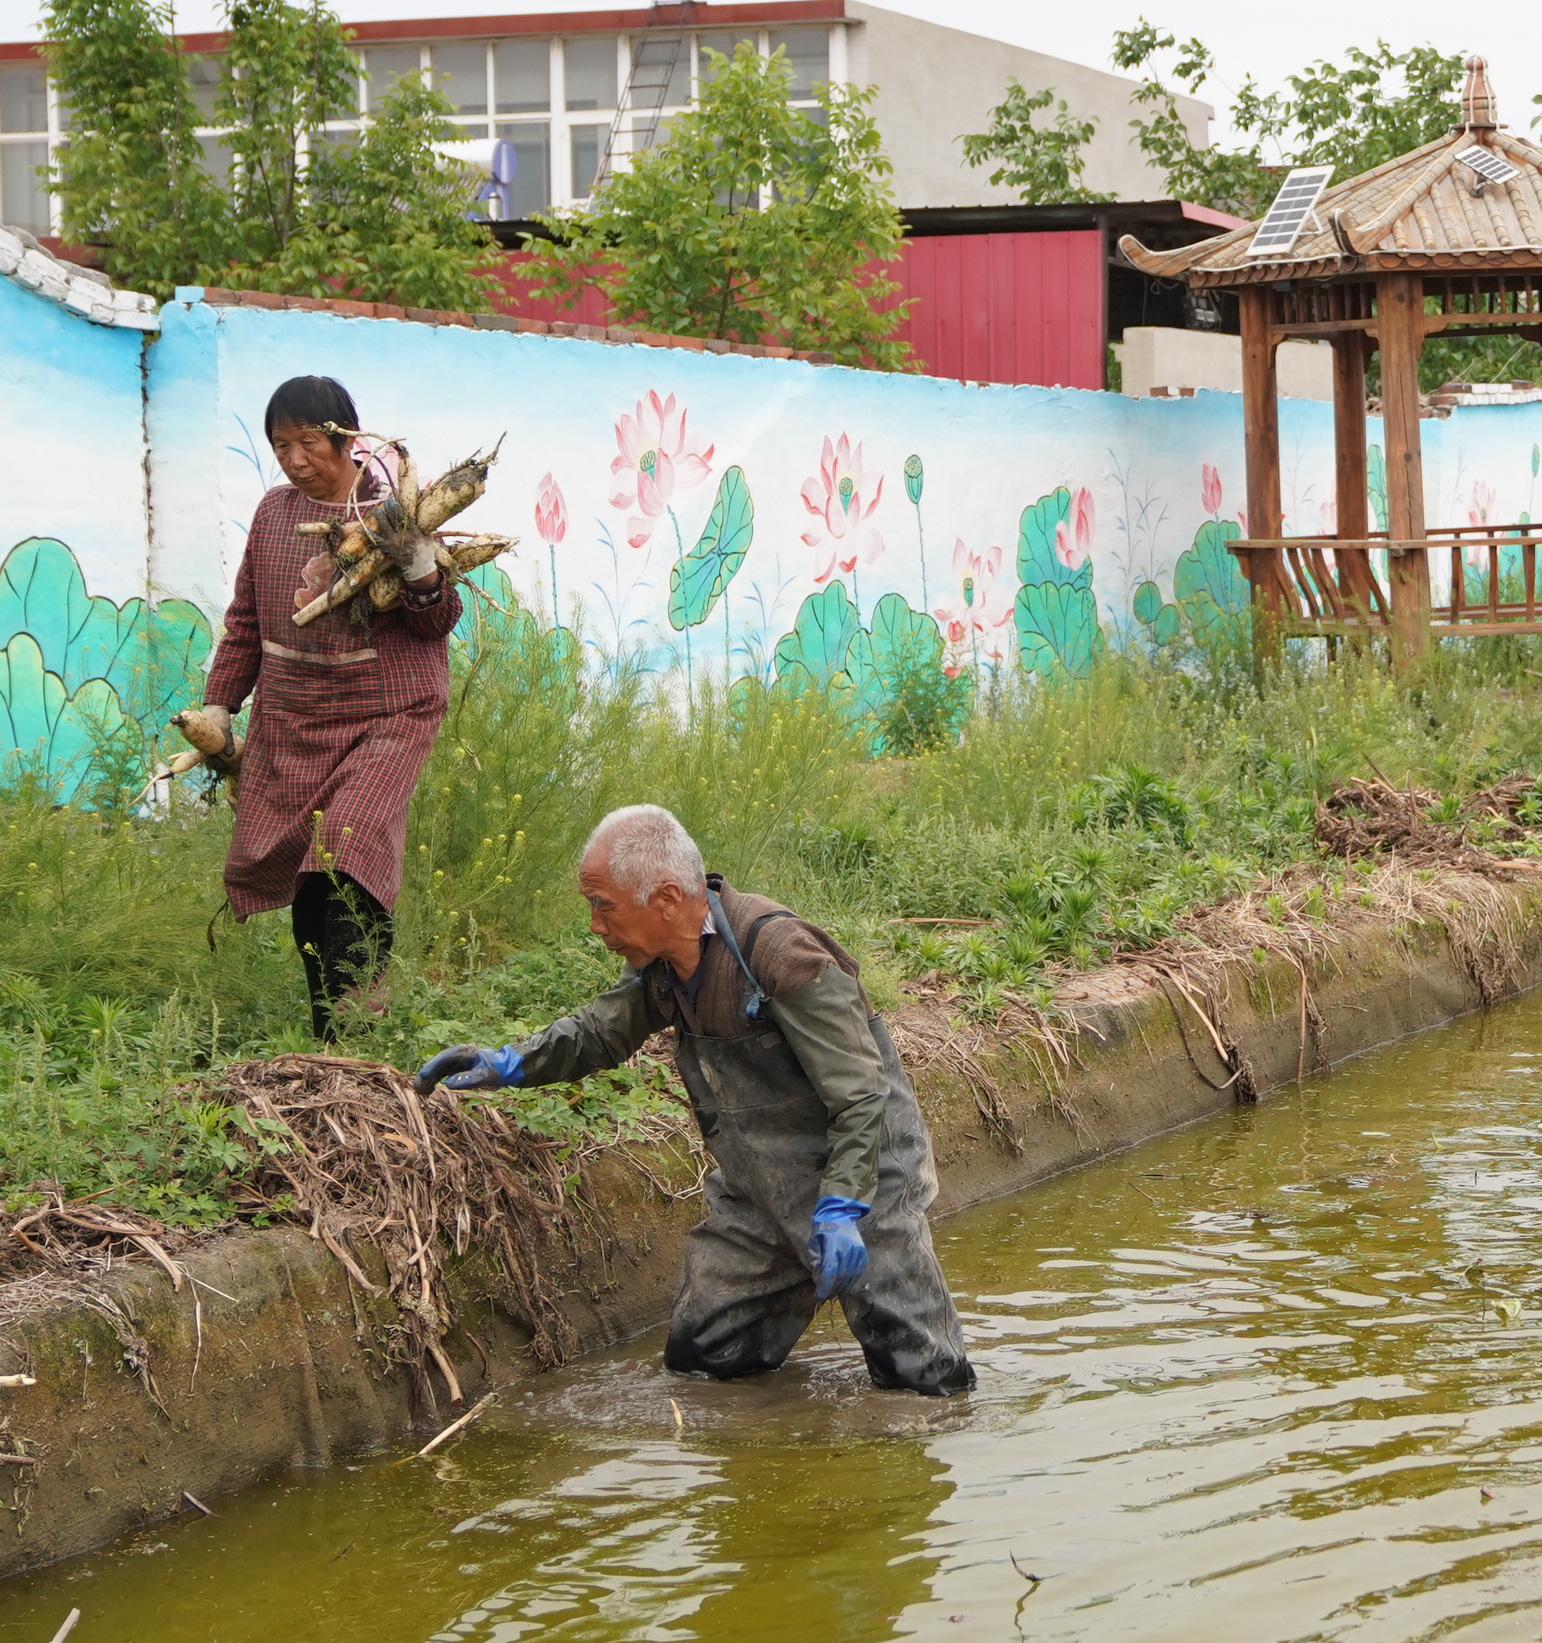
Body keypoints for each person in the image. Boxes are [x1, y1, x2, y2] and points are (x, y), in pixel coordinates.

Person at [415, 804, 974, 1398]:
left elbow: (863, 1098)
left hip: (865, 1186)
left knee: (926, 1385)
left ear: (665, 899)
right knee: (705, 1357)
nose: (594, 925)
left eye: (603, 905)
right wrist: (509, 1063)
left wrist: (842, 1209)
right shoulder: (665, 966)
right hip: (757, 1196)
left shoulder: (781, 954)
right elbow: (599, 1032)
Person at [197, 375, 461, 1038]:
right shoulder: (273, 513)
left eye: (306, 442)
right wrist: (221, 706)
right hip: (295, 723)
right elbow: (247, 621)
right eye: (279, 445)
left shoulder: (393, 510)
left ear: (345, 438)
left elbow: (436, 623)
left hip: (388, 717)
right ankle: (331, 1030)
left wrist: (417, 563)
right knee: (311, 878)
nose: (292, 458)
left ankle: (362, 1023)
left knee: (346, 849)